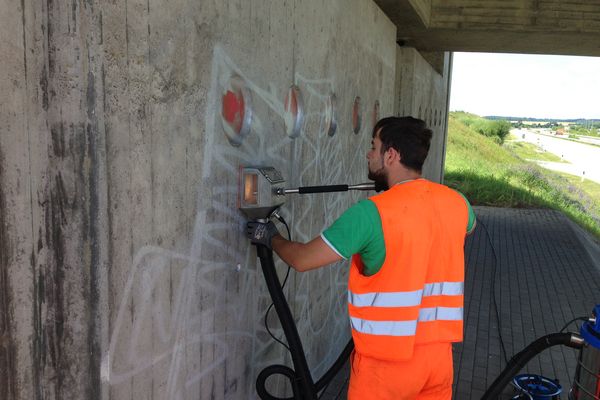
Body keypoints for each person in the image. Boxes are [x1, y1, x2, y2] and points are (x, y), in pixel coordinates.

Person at [247, 116, 476, 400]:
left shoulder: (371, 215)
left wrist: (271, 237)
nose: (369, 153)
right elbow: (468, 226)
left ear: (390, 155)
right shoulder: (457, 202)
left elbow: (303, 259)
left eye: (374, 146)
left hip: (386, 367)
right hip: (438, 361)